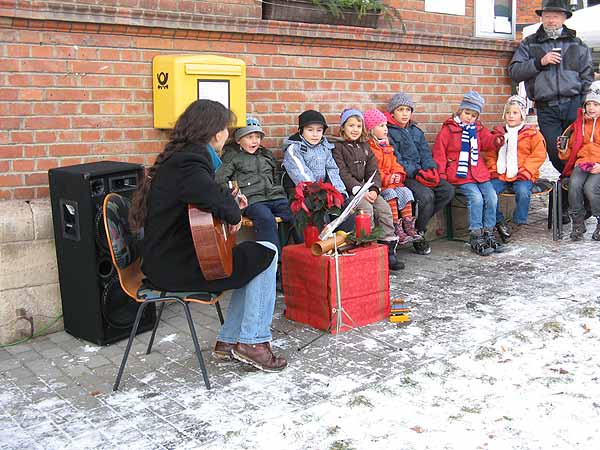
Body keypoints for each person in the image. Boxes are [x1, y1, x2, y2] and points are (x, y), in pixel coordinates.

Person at [129, 99, 287, 372]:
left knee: (255, 257)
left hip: (171, 259)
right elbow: (219, 203)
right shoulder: (189, 163)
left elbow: (209, 196)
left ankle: (230, 341)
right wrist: (233, 213)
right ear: (214, 132)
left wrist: (228, 203)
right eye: (226, 129)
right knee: (267, 253)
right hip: (175, 267)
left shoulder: (181, 158)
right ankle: (252, 342)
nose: (227, 135)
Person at [508, 0, 594, 224]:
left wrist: (584, 105)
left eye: (556, 15)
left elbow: (587, 76)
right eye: (547, 15)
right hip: (546, 107)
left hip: (573, 105)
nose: (551, 19)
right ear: (542, 17)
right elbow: (515, 71)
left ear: (564, 18)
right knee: (556, 153)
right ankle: (578, 198)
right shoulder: (530, 43)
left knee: (576, 153)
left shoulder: (577, 44)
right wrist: (540, 62)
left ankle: (569, 205)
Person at [432, 91, 504, 256]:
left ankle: (489, 231)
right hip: (460, 173)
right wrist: (441, 175)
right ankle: (476, 234)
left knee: (492, 197)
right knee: (476, 198)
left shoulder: (478, 129)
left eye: (473, 115)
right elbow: (439, 154)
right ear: (460, 111)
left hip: (479, 171)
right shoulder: (448, 130)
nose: (469, 118)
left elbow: (487, 141)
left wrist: (496, 140)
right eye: (467, 113)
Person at [332, 108, 405, 271]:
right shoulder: (338, 147)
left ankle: (388, 250)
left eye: (358, 126)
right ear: (343, 127)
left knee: (384, 209)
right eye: (351, 125)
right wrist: (358, 190)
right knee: (366, 210)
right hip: (351, 191)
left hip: (367, 189)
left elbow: (374, 171)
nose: (355, 129)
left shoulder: (365, 146)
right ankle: (368, 248)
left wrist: (374, 189)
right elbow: (342, 172)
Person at [385, 93, 455, 255]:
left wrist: (430, 169)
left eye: (408, 110)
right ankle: (419, 236)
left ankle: (416, 229)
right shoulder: (389, 132)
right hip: (406, 176)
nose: (405, 114)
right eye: (400, 110)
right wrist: (416, 172)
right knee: (426, 196)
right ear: (392, 112)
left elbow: (425, 153)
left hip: (422, 172)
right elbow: (396, 159)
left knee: (447, 190)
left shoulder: (415, 131)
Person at [215, 115, 293, 255]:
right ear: (239, 140)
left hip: (274, 196)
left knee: (295, 213)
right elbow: (220, 179)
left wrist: (278, 190)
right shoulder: (232, 156)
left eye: (258, 137)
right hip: (252, 200)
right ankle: (272, 259)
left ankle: (300, 254)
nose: (255, 141)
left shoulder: (266, 155)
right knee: (265, 218)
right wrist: (234, 196)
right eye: (249, 137)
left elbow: (275, 176)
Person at [485, 96, 547, 242]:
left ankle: (518, 221)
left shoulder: (532, 134)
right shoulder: (498, 134)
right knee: (488, 191)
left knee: (523, 192)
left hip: (523, 174)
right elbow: (490, 154)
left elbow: (538, 155)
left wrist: (526, 171)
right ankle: (499, 221)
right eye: (508, 113)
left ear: (522, 115)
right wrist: (493, 168)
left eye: (515, 113)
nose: (511, 116)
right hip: (501, 173)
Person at [282, 109, 354, 233]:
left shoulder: (324, 147)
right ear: (301, 130)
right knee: (319, 211)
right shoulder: (294, 148)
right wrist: (321, 195)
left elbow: (332, 170)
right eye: (310, 130)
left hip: (323, 191)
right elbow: (301, 174)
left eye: (319, 130)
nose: (315, 134)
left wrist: (339, 192)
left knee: (345, 206)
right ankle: (321, 240)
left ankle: (343, 238)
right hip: (301, 192)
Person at [363, 109, 422, 255]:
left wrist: (398, 174)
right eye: (381, 126)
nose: (385, 129)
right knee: (390, 194)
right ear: (371, 129)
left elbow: (395, 163)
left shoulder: (386, 146)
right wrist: (388, 178)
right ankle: (396, 226)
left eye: (385, 125)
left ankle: (408, 225)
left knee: (405, 191)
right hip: (381, 186)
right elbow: (374, 171)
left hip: (393, 182)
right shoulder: (370, 148)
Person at [559, 80, 600, 240]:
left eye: (596, 104)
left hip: (598, 165)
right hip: (582, 163)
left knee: (591, 188)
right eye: (588, 104)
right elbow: (570, 152)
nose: (591, 108)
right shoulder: (577, 125)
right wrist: (563, 150)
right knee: (574, 186)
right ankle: (578, 224)